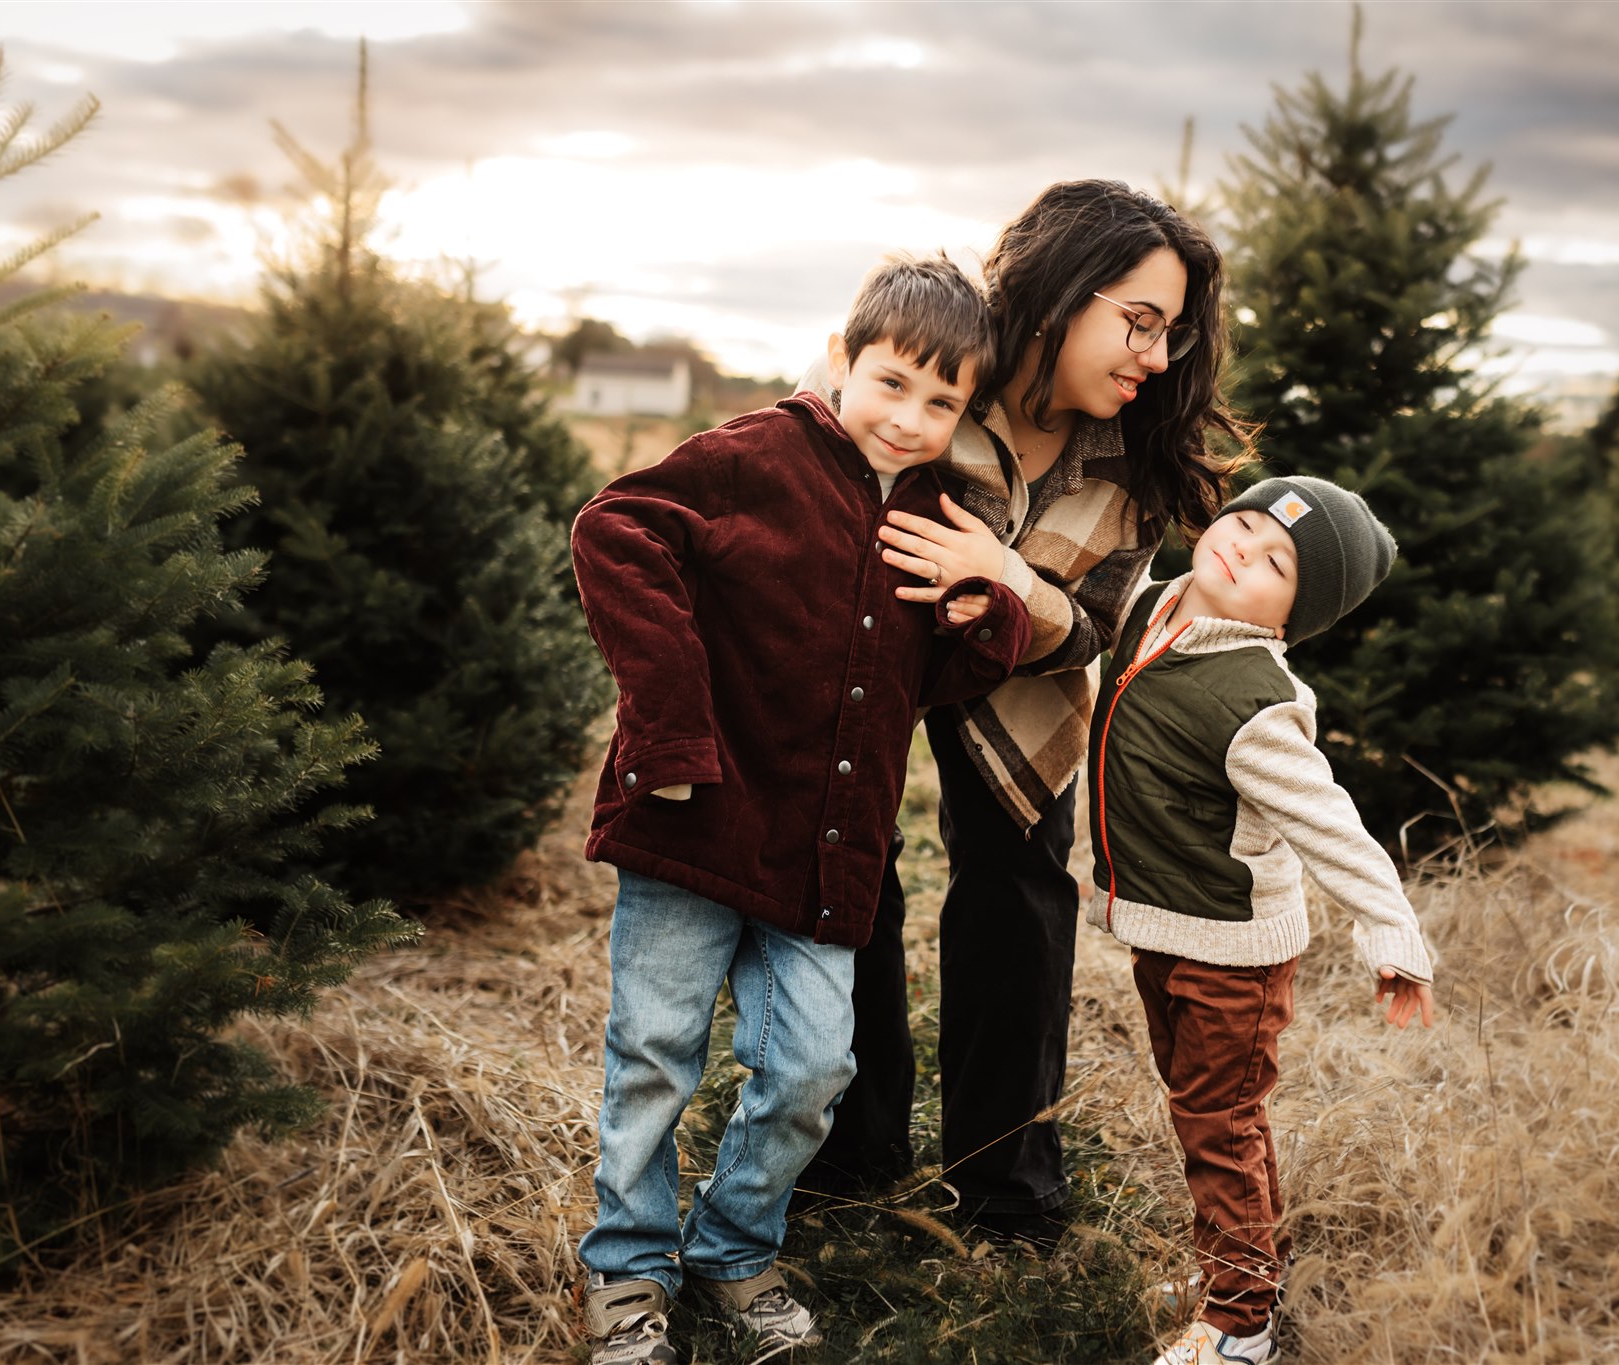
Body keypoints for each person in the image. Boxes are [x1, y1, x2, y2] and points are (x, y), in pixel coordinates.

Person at [567, 253, 1031, 1365]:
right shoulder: (751, 458)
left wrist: (987, 611)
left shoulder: (935, 515)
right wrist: (669, 731)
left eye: (941, 404)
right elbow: (611, 533)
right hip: (697, 824)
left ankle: (732, 1251)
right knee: (654, 1053)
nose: (909, 419)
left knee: (817, 1067)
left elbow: (936, 674)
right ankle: (627, 1271)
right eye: (891, 384)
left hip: (826, 857)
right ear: (841, 357)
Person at [799, 180, 1251, 1248]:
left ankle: (1004, 1194)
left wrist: (1005, 575)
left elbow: (1094, 625)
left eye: (1169, 335)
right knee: (846, 877)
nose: (1151, 355)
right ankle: (848, 1158)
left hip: (1028, 688)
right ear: (1058, 295)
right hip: (863, 658)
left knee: (1020, 900)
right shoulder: (938, 355)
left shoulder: (1134, 457)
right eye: (1135, 321)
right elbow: (803, 477)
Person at [1086, 474, 1439, 1365]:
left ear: (1291, 617)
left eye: (1276, 559)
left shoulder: (1259, 700)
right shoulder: (1156, 605)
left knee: (1222, 1122)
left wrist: (1392, 935)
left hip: (1231, 957)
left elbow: (1333, 825)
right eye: (1246, 521)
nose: (1244, 544)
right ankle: (1238, 1269)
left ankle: (1242, 1322)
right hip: (1167, 930)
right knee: (1209, 1111)